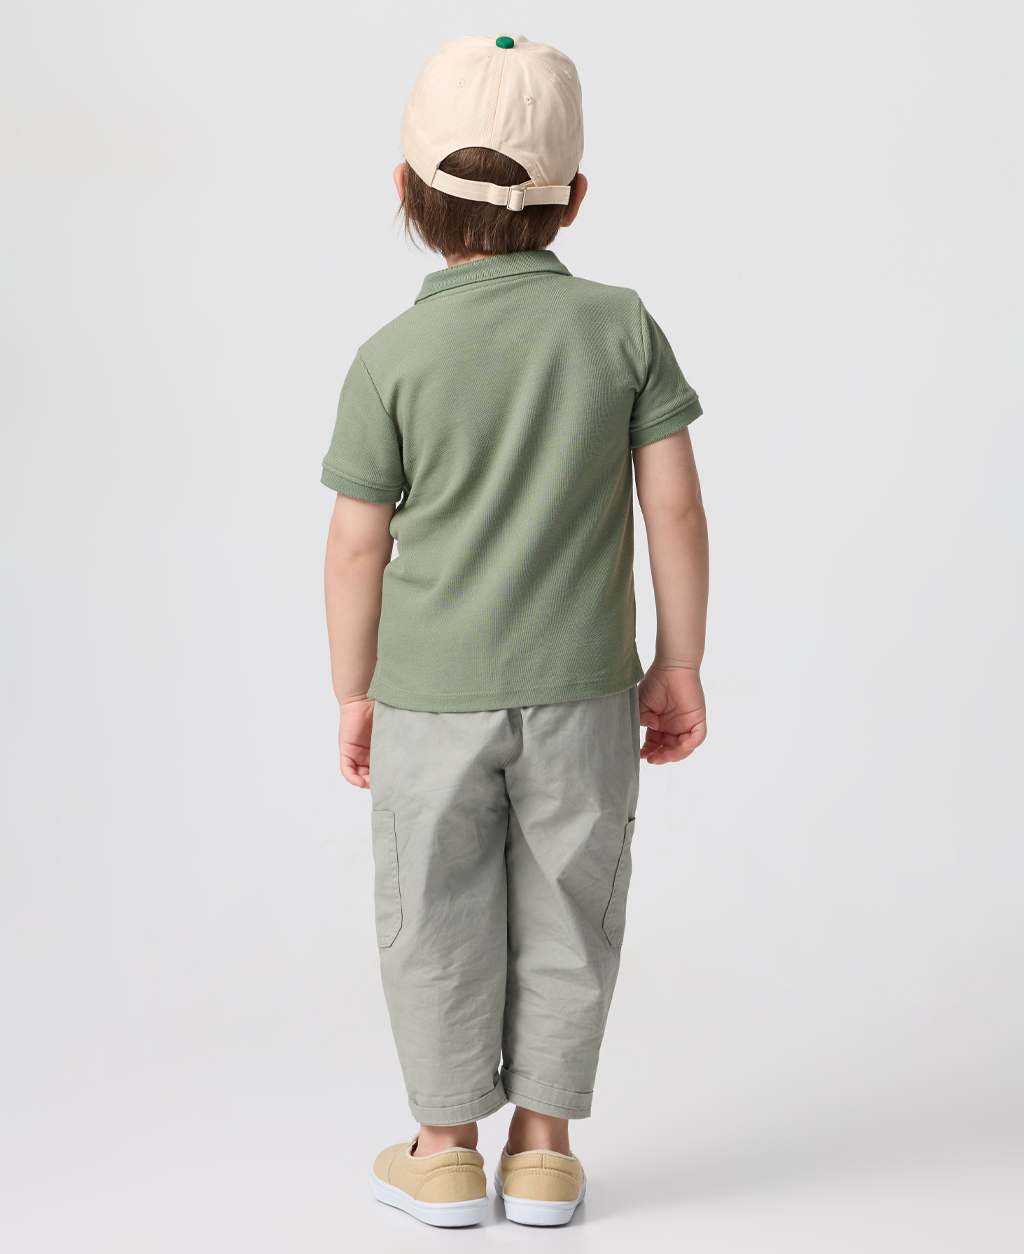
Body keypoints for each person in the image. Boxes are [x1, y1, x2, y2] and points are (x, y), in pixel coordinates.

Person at [322, 33, 709, 1229]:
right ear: (574, 196)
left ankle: (443, 1150)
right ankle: (543, 1152)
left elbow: (355, 547)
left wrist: (354, 689)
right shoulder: (622, 328)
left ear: (404, 190)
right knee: (569, 907)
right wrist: (677, 661)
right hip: (585, 691)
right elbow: (674, 508)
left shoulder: (388, 360)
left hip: (428, 697)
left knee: (432, 914)